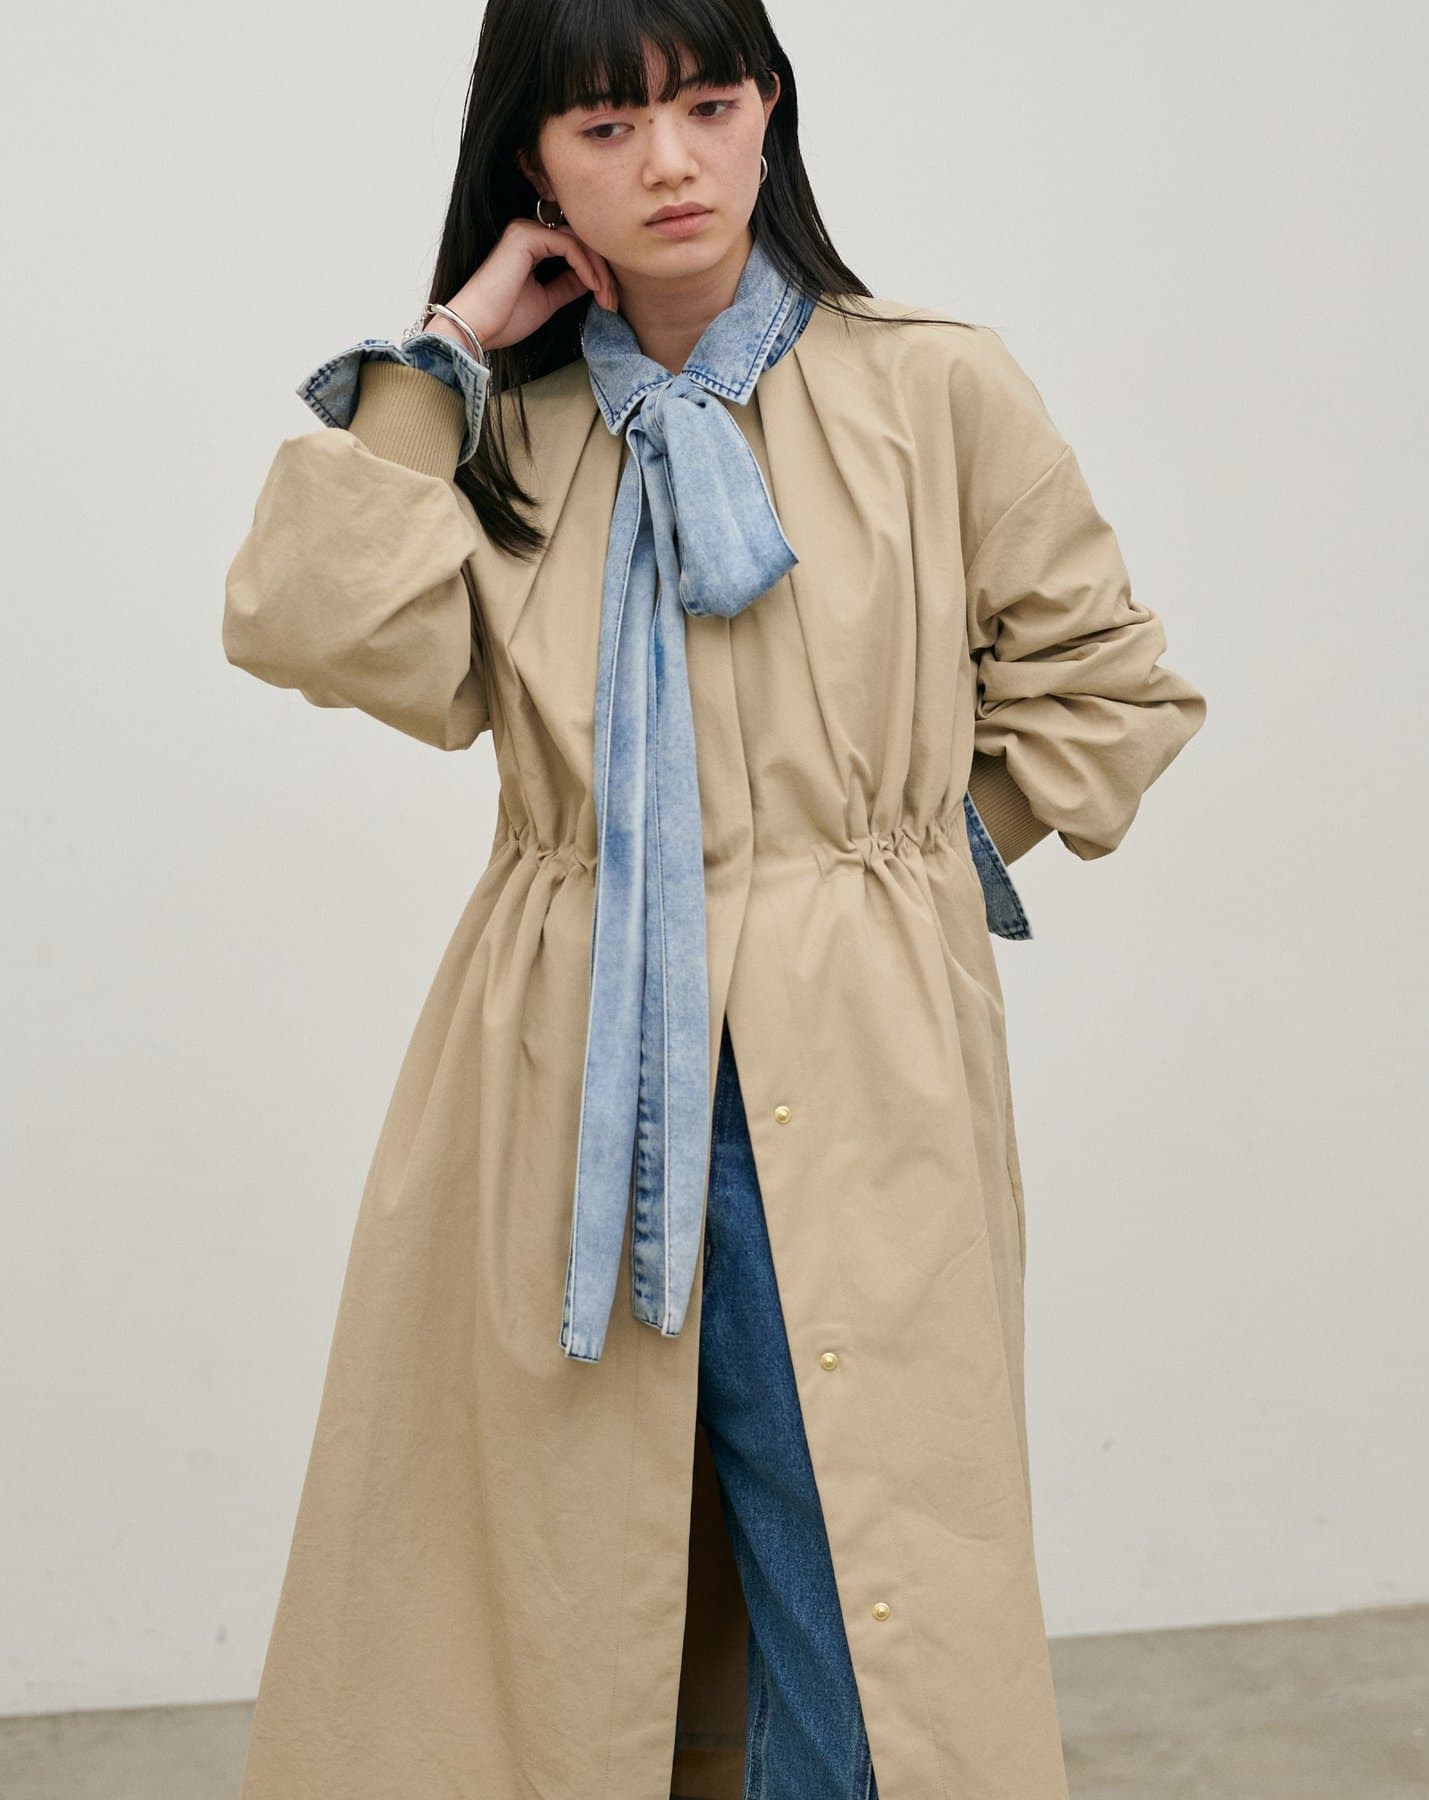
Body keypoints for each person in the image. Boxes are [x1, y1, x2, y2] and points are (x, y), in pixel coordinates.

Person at [221, 3, 1207, 1796]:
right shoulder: (505, 431)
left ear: (769, 114)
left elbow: (1107, 690)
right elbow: (312, 628)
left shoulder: (933, 388)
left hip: (861, 1065)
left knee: (866, 1603)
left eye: (706, 104)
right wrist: (446, 350)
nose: (669, 164)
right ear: (532, 165)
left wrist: (909, 875)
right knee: (574, 1610)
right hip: (568, 1076)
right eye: (604, 129)